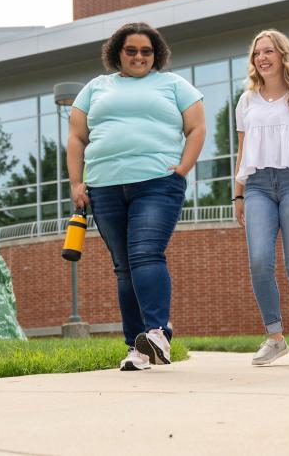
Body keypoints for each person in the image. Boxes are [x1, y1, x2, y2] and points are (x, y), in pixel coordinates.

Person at [67, 22, 206, 372]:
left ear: (155, 54)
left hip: (157, 182)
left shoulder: (174, 84)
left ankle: (158, 333)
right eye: (131, 50)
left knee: (145, 254)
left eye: (146, 51)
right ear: (118, 53)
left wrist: (183, 167)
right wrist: (76, 182)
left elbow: (197, 127)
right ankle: (138, 348)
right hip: (104, 185)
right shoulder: (96, 88)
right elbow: (76, 137)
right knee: (124, 268)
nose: (139, 57)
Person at [233, 29, 289, 366]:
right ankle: (275, 338)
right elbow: (243, 149)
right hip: (257, 185)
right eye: (258, 53)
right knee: (259, 260)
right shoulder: (246, 101)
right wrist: (238, 194)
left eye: (269, 51)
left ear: (283, 55)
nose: (262, 58)